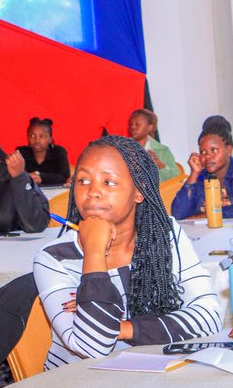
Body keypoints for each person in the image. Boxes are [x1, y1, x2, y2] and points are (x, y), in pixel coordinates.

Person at [33, 135, 222, 369]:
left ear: (139, 191)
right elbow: (93, 345)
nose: (92, 192)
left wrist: (122, 327)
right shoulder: (54, 259)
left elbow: (209, 317)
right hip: (77, 386)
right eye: (83, 181)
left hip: (149, 378)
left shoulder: (165, 234)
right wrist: (94, 252)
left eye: (108, 182)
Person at [170, 116, 233, 219]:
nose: (207, 156)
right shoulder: (200, 178)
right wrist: (194, 174)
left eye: (214, 150)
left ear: (229, 150)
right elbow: (178, 214)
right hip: (208, 234)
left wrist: (210, 215)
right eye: (202, 152)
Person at [128, 108, 182, 182]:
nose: (133, 127)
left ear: (150, 127)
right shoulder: (121, 149)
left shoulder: (163, 151)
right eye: (130, 124)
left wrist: (159, 165)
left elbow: (177, 179)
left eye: (137, 124)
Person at [15, 117, 70, 186]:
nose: (37, 140)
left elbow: (64, 177)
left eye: (42, 136)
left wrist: (40, 176)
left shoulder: (59, 152)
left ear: (50, 139)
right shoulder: (21, 152)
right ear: (27, 137)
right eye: (32, 136)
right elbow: (16, 176)